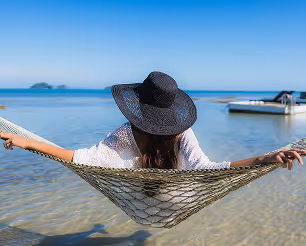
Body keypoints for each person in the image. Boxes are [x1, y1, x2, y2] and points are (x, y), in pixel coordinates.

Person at [0, 71, 305, 170]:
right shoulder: (169, 132)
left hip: (165, 198)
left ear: (138, 106)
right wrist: (26, 140)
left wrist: (268, 158)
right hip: (162, 198)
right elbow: (206, 168)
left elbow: (80, 158)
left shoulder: (134, 132)